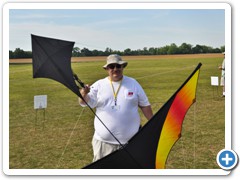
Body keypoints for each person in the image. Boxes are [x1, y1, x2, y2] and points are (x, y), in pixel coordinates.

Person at [79, 54, 153, 162]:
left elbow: (145, 105)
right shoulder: (99, 85)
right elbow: (83, 102)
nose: (115, 69)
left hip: (131, 144)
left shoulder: (133, 83)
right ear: (106, 69)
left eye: (118, 66)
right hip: (103, 145)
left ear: (123, 67)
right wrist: (84, 92)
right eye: (111, 66)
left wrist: (154, 124)